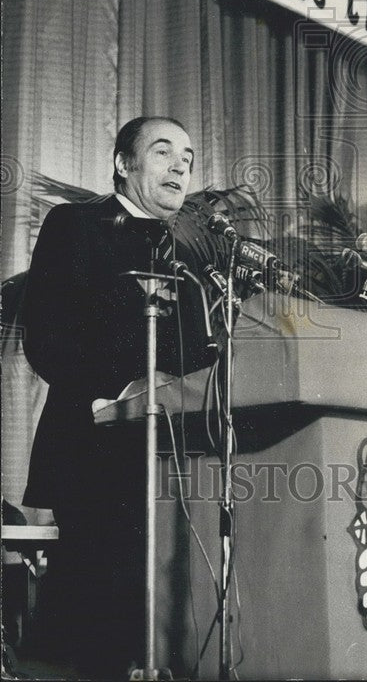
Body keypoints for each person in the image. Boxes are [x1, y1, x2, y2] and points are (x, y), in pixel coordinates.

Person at [21, 116, 217, 676]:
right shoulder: (75, 225)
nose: (181, 164)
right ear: (122, 164)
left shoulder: (192, 256)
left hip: (178, 459)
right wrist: (123, 390)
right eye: (163, 151)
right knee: (95, 627)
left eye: (188, 155)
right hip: (94, 452)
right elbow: (47, 337)